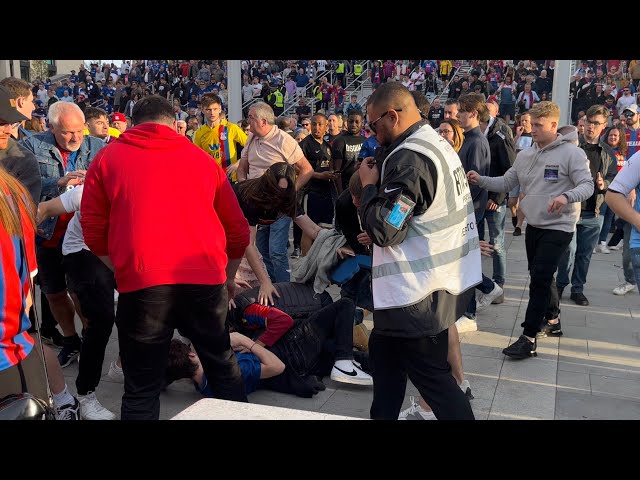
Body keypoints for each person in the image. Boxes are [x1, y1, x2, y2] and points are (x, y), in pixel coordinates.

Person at [80, 95, 251, 420]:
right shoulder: (203, 161)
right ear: (175, 124)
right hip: (204, 282)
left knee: (142, 386)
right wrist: (227, 278)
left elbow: (92, 230)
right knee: (222, 368)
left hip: (143, 286)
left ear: (132, 124)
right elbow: (239, 231)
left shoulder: (106, 159)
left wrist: (123, 271)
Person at [358, 82, 478, 420]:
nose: (372, 132)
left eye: (373, 124)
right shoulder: (433, 143)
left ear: (392, 116)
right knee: (384, 360)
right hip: (431, 286)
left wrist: (368, 189)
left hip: (415, 294)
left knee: (433, 379)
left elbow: (386, 228)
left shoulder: (411, 159)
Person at [467, 101, 594, 358]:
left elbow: (587, 186)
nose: (531, 129)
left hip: (559, 227)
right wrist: (480, 179)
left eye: (538, 125)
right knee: (541, 276)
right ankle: (554, 320)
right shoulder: (525, 154)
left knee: (539, 279)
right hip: (533, 226)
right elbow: (507, 181)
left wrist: (566, 197)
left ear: (553, 125)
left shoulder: (572, 154)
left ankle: (529, 337)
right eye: (530, 124)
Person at [22, 102, 106, 368]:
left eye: (80, 131)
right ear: (51, 127)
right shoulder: (31, 147)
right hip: (48, 235)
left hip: (85, 238)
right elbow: (22, 187)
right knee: (54, 293)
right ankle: (70, 341)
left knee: (84, 294)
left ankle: (91, 341)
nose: (76, 138)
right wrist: (56, 183)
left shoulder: (99, 147)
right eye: (68, 133)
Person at [236, 101, 314, 283]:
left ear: (263, 121)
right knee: (261, 249)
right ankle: (270, 287)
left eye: (251, 117)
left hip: (278, 203)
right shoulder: (251, 138)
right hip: (255, 203)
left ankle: (284, 290)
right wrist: (245, 189)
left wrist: (287, 194)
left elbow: (307, 169)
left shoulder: (284, 140)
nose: (248, 121)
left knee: (276, 250)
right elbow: (242, 169)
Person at [556, 105, 618, 306]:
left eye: (596, 123)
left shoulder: (607, 152)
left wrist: (604, 184)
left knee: (584, 254)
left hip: (594, 210)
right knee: (568, 251)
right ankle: (560, 284)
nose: (591, 127)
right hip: (571, 209)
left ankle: (578, 289)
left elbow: (612, 177)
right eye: (588, 122)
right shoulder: (572, 146)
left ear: (604, 126)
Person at [193, 93, 247, 180]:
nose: (212, 113)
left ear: (220, 109)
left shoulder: (231, 128)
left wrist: (238, 163)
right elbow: (197, 158)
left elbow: (250, 146)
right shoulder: (199, 133)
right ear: (202, 110)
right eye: (208, 109)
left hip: (230, 179)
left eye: (215, 109)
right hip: (211, 179)